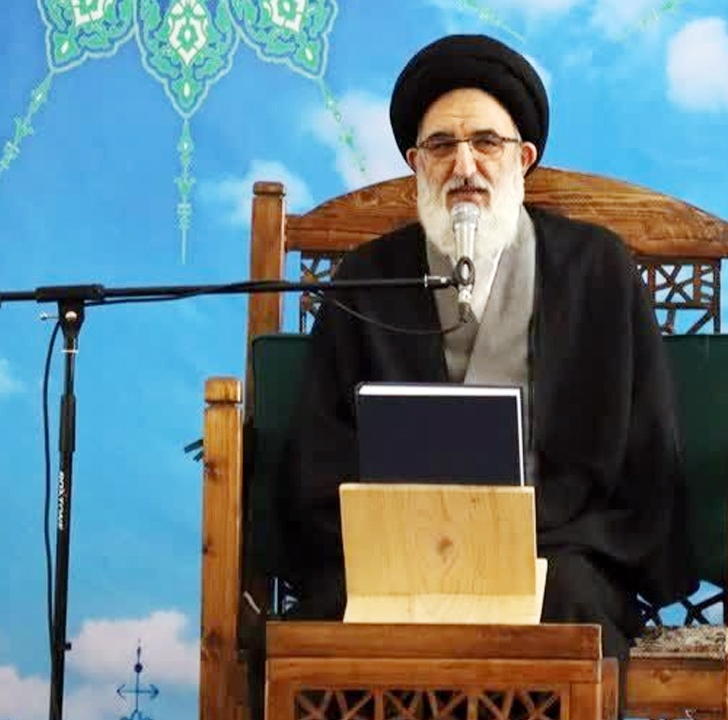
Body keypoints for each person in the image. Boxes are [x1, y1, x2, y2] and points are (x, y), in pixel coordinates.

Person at [277, 32, 698, 686]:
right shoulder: (366, 279)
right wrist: (406, 537)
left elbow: (644, 451)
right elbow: (320, 451)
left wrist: (518, 538)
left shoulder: (597, 270)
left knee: (569, 604)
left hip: (554, 551)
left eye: (486, 143)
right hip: (397, 553)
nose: (464, 166)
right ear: (416, 163)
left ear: (523, 158)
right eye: (442, 146)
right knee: (332, 615)